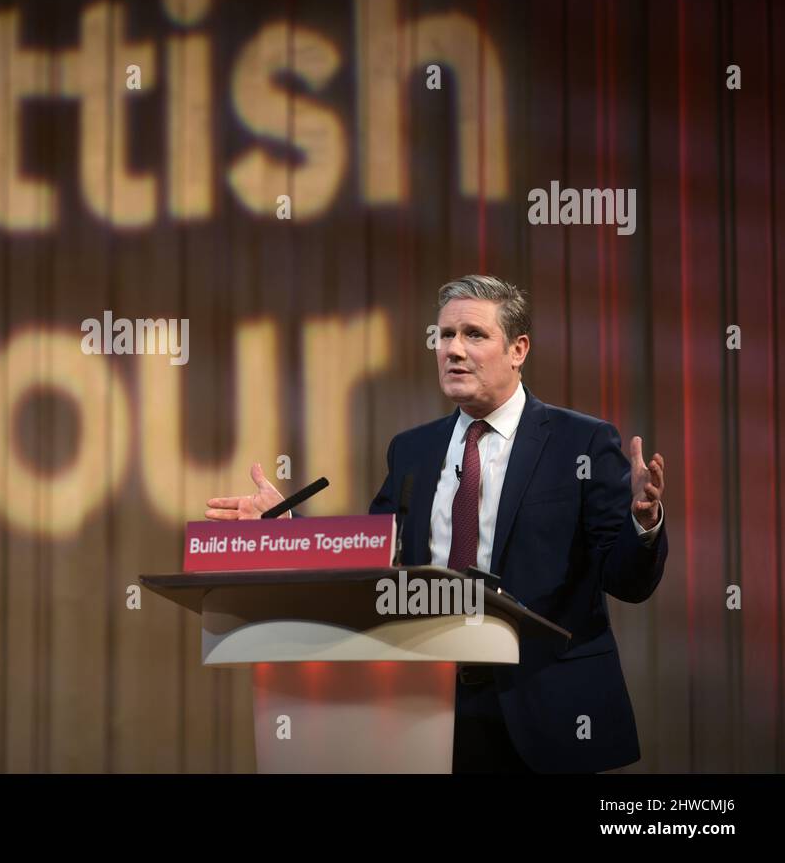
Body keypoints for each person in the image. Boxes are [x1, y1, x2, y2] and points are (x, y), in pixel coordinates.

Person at [204, 275, 667, 773]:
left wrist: (643, 522)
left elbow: (628, 581)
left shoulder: (582, 442)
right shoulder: (413, 450)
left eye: (474, 335)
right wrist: (288, 527)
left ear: (518, 349)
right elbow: (371, 559)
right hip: (430, 711)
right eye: (445, 335)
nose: (453, 350)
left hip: (547, 710)